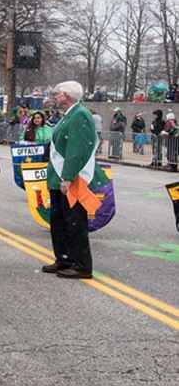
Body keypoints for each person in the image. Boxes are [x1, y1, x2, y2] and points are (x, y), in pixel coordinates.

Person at [43, 81, 108, 279]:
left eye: (58, 94)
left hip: (71, 179)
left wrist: (68, 177)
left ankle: (81, 265)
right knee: (59, 221)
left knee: (74, 222)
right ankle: (64, 258)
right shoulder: (69, 115)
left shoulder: (80, 115)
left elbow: (77, 149)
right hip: (58, 177)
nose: (55, 97)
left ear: (67, 95)